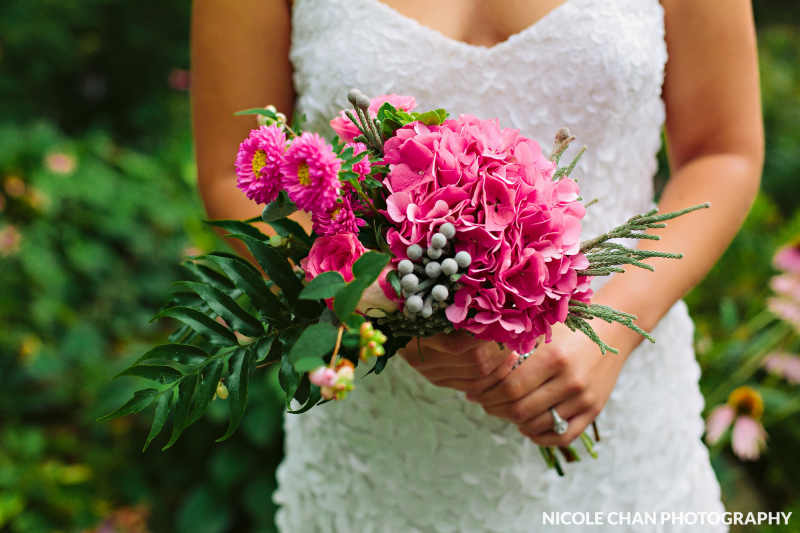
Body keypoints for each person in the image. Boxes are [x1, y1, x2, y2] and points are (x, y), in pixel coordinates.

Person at [192, 0, 763, 531]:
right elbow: (232, 170)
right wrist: (388, 321)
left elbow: (723, 151)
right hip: (381, 448)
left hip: (618, 422)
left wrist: (608, 329)